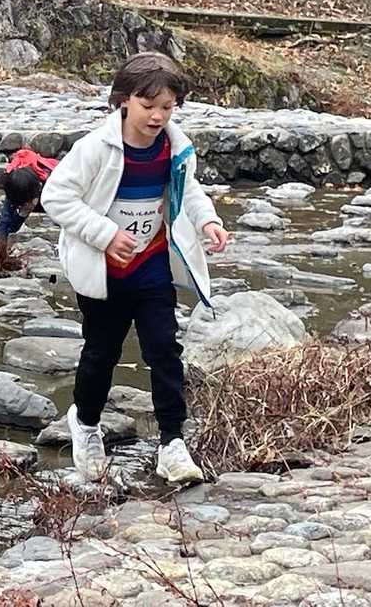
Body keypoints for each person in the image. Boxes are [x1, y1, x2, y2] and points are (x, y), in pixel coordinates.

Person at [40, 51, 229, 486]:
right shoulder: (95, 148)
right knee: (101, 354)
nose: (158, 116)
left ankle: (172, 443)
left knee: (164, 350)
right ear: (123, 100)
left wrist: (208, 221)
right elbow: (56, 196)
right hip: (105, 272)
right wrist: (105, 234)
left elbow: (188, 190)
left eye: (167, 107)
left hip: (151, 264)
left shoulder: (176, 149)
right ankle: (86, 425)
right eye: (148, 106)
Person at [0, 148, 59, 246]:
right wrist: (0, 247)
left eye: (28, 202)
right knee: (6, 224)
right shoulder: (14, 188)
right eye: (24, 204)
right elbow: (5, 222)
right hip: (30, 196)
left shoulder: (55, 183)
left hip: (51, 196)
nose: (28, 204)